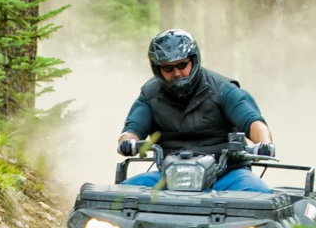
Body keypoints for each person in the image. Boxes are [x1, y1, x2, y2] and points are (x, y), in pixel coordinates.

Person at [116, 29, 275, 192]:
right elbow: (132, 129)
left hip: (227, 176)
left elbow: (252, 121)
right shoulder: (150, 95)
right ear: (158, 69)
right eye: (168, 69)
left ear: (193, 60)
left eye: (182, 65)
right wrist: (127, 142)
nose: (177, 73)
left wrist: (264, 142)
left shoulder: (223, 89)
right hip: (169, 178)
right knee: (119, 196)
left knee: (262, 195)